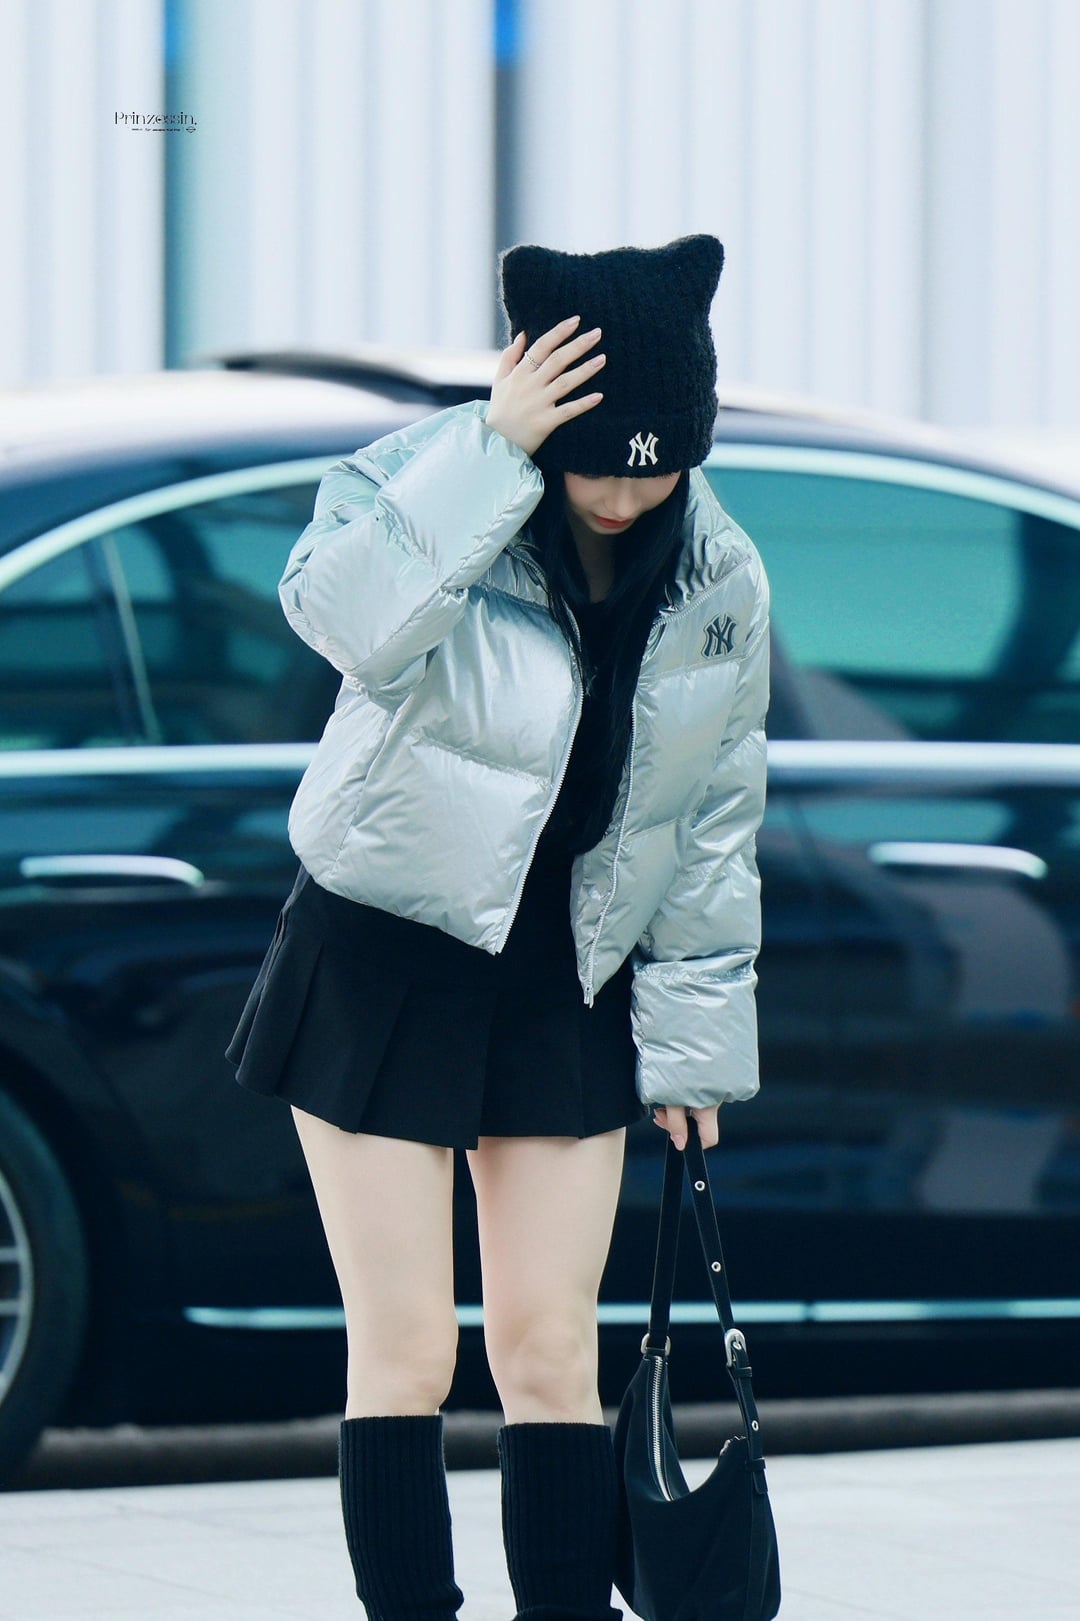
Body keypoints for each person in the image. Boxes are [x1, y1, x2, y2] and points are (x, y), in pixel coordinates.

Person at [225, 233, 770, 1621]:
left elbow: (710, 821)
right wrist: (493, 449)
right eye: (599, 463)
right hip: (384, 958)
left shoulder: (720, 577)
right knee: (407, 1350)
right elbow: (341, 617)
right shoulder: (426, 480)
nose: (627, 493)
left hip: (567, 982)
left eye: (659, 466)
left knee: (548, 1352)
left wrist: (695, 1047)